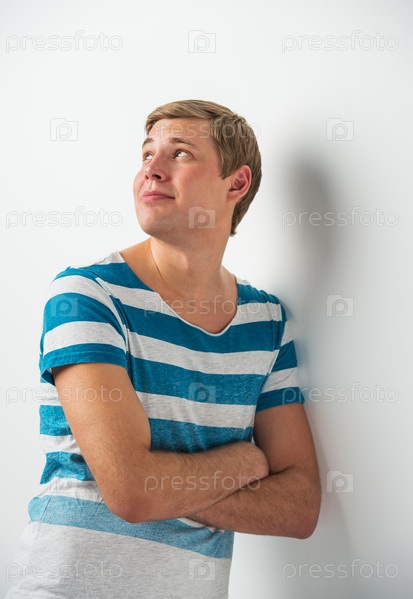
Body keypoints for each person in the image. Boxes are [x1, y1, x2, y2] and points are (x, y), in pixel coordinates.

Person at [6, 99, 321, 598]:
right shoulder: (88, 296)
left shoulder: (266, 323)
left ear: (236, 184)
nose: (151, 169)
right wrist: (245, 463)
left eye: (179, 153)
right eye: (147, 153)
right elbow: (132, 492)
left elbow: (299, 507)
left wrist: (160, 484)